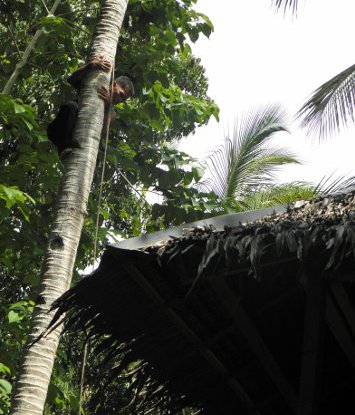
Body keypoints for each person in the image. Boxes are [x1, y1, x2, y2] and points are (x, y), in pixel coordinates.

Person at [47, 56, 134, 154]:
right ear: (114, 84)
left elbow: (104, 132)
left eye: (123, 99)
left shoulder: (111, 112)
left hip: (81, 140)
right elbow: (71, 80)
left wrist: (108, 105)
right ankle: (64, 146)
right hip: (58, 131)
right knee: (71, 106)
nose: (120, 100)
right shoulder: (92, 84)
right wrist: (90, 66)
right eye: (121, 94)